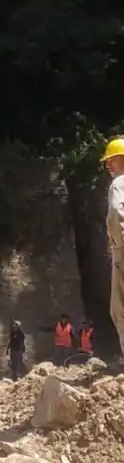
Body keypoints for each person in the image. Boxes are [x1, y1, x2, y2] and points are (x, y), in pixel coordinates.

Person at [103, 137, 124, 357]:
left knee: (119, 310)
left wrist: (119, 243)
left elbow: (116, 214)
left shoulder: (119, 183)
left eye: (112, 159)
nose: (108, 164)